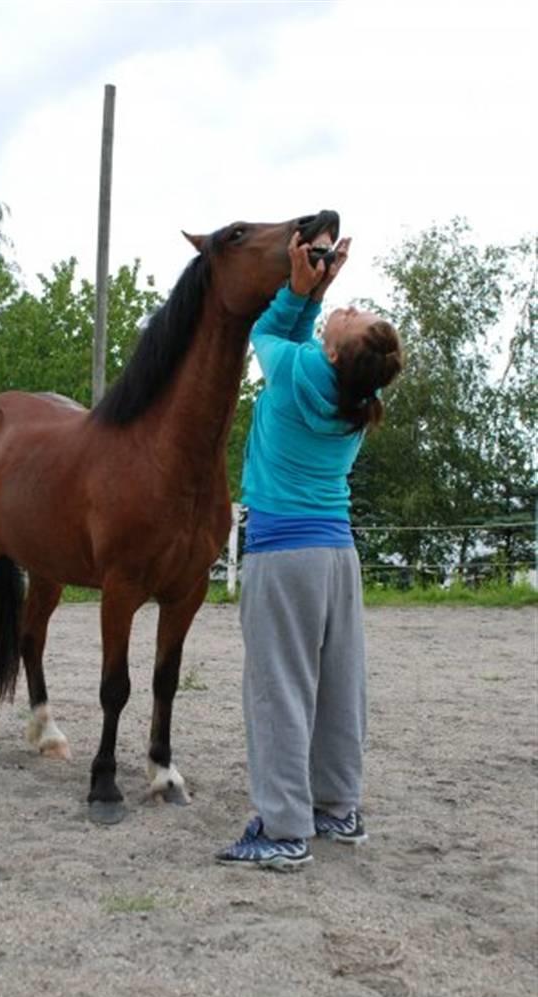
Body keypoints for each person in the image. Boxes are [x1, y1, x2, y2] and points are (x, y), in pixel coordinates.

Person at [216, 230, 404, 871]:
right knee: (337, 686)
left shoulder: (299, 372)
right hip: (336, 555)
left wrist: (301, 291)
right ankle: (337, 808)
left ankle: (283, 829)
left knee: (278, 689)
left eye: (352, 316)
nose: (347, 308)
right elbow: (306, 336)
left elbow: (264, 334)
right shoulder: (363, 398)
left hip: (281, 554)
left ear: (330, 351)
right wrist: (319, 290)